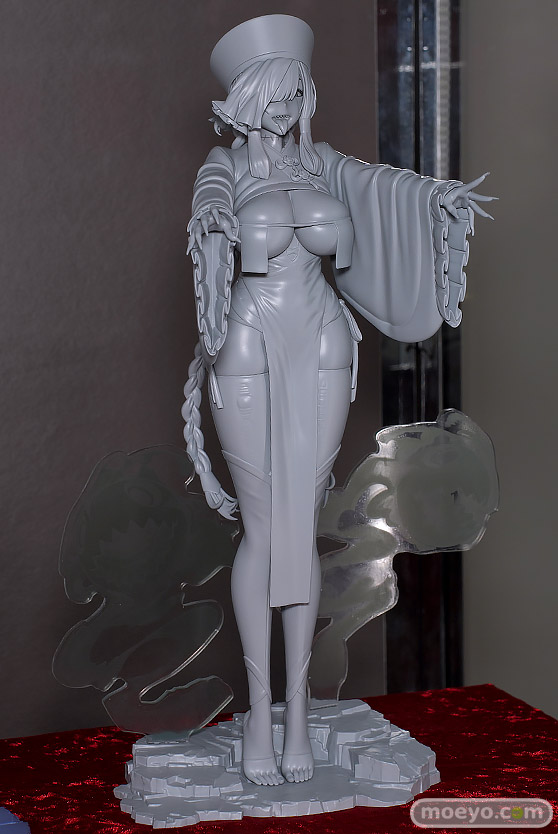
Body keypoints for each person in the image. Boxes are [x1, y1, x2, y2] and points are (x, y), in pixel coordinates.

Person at [182, 14, 494, 788]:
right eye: (274, 91)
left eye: (297, 91)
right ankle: (261, 716)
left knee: (303, 523)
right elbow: (211, 218)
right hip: (250, 346)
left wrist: (438, 200)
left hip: (322, 342)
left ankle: (297, 716)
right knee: (265, 529)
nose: (287, 106)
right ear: (246, 96)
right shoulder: (223, 169)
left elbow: (385, 194)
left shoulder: (325, 165)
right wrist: (217, 224)